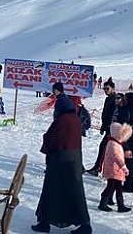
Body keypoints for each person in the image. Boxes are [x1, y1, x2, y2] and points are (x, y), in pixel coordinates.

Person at [31, 82, 92, 234]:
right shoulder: (75, 120)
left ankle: (44, 222)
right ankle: (83, 224)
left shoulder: (62, 121)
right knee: (74, 192)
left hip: (60, 160)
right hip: (74, 159)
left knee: (51, 192)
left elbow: (51, 138)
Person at [98, 122, 133, 213]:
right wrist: (124, 167)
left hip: (115, 169)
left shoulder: (115, 143)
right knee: (111, 186)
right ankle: (103, 202)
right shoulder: (113, 144)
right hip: (114, 170)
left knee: (118, 187)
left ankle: (120, 205)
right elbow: (117, 157)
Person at [86, 79, 117, 176]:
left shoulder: (115, 99)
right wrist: (103, 127)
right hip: (108, 128)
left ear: (113, 88)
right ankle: (99, 168)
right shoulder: (108, 99)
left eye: (107, 89)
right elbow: (105, 114)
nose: (105, 91)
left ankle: (98, 169)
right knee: (105, 148)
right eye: (104, 89)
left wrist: (110, 127)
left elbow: (114, 115)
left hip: (112, 129)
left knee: (104, 148)